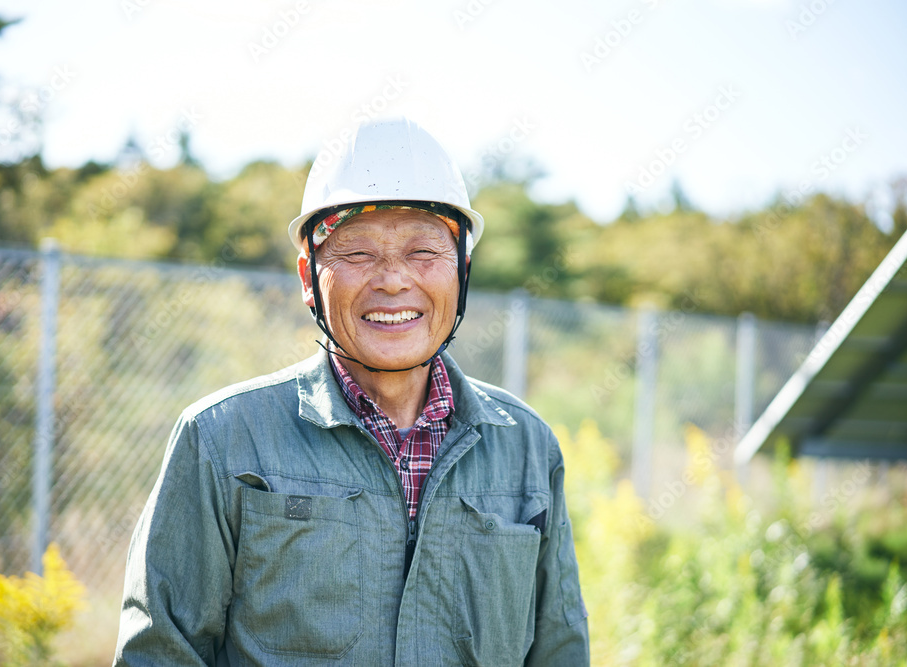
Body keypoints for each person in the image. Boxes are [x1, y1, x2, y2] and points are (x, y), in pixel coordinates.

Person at [113, 117, 590, 665]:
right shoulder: (222, 440)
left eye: (423, 252)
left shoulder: (527, 447)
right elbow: (160, 654)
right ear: (308, 277)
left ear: (462, 271)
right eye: (358, 253)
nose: (391, 280)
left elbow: (559, 650)